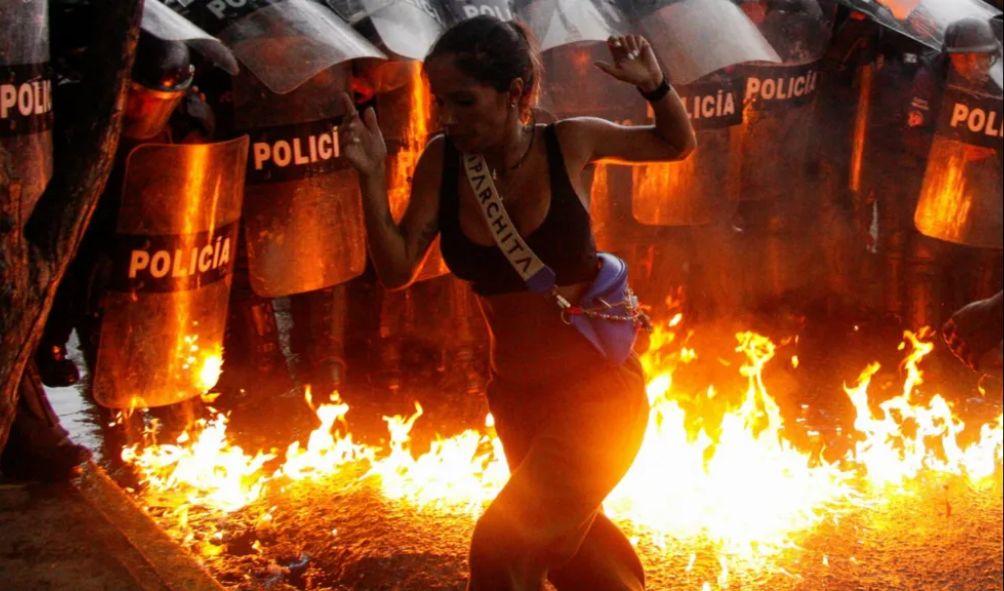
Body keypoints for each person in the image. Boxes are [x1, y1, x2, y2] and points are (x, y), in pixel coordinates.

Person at [338, 16, 695, 590]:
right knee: (575, 555)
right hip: (518, 402)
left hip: (598, 396)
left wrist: (654, 86)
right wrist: (369, 175)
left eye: (464, 101)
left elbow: (675, 145)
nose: (448, 118)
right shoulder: (443, 160)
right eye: (440, 103)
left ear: (516, 93)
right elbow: (398, 268)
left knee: (503, 546)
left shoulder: (571, 142)